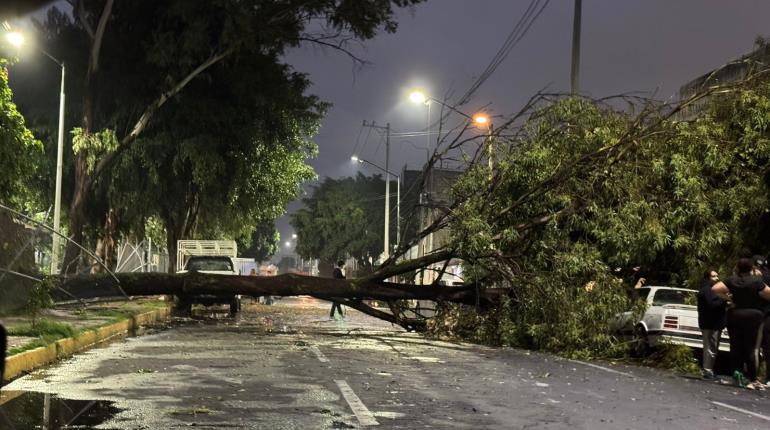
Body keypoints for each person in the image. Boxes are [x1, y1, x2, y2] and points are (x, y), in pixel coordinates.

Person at [712, 258, 770, 389]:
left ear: (738, 268)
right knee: (750, 347)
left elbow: (715, 289)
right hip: (753, 316)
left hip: (735, 314)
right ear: (752, 269)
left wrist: (730, 299)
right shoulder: (756, 281)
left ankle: (736, 374)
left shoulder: (731, 280)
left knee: (735, 346)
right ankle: (753, 379)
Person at [697, 269, 726, 380]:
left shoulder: (712, 290)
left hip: (713, 323)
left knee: (712, 347)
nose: (717, 278)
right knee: (710, 348)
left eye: (717, 276)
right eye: (714, 276)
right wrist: (725, 301)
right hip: (710, 323)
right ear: (707, 278)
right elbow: (711, 304)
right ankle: (707, 371)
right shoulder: (707, 290)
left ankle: (709, 370)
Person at [752, 255, 770, 384]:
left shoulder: (753, 277)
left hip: (756, 314)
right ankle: (767, 377)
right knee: (767, 347)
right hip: (767, 314)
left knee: (754, 347)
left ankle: (753, 375)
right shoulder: (767, 275)